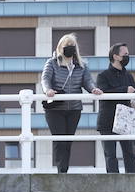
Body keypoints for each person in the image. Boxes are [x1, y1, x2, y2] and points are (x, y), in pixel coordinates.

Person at [41, 34, 101, 173]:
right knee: (60, 140)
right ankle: (61, 171)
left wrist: (93, 89)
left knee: (68, 141)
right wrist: (48, 90)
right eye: (66, 46)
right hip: (55, 108)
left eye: (72, 46)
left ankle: (65, 170)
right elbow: (45, 79)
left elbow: (87, 81)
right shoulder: (52, 63)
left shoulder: (81, 65)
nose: (69, 49)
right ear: (60, 48)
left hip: (74, 108)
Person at [95, 43, 135, 174]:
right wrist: (125, 90)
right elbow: (104, 93)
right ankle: (113, 183)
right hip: (108, 121)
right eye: (125, 54)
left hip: (126, 120)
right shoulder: (103, 76)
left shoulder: (129, 76)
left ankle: (133, 180)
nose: (127, 57)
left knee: (130, 153)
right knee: (110, 155)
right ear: (115, 56)